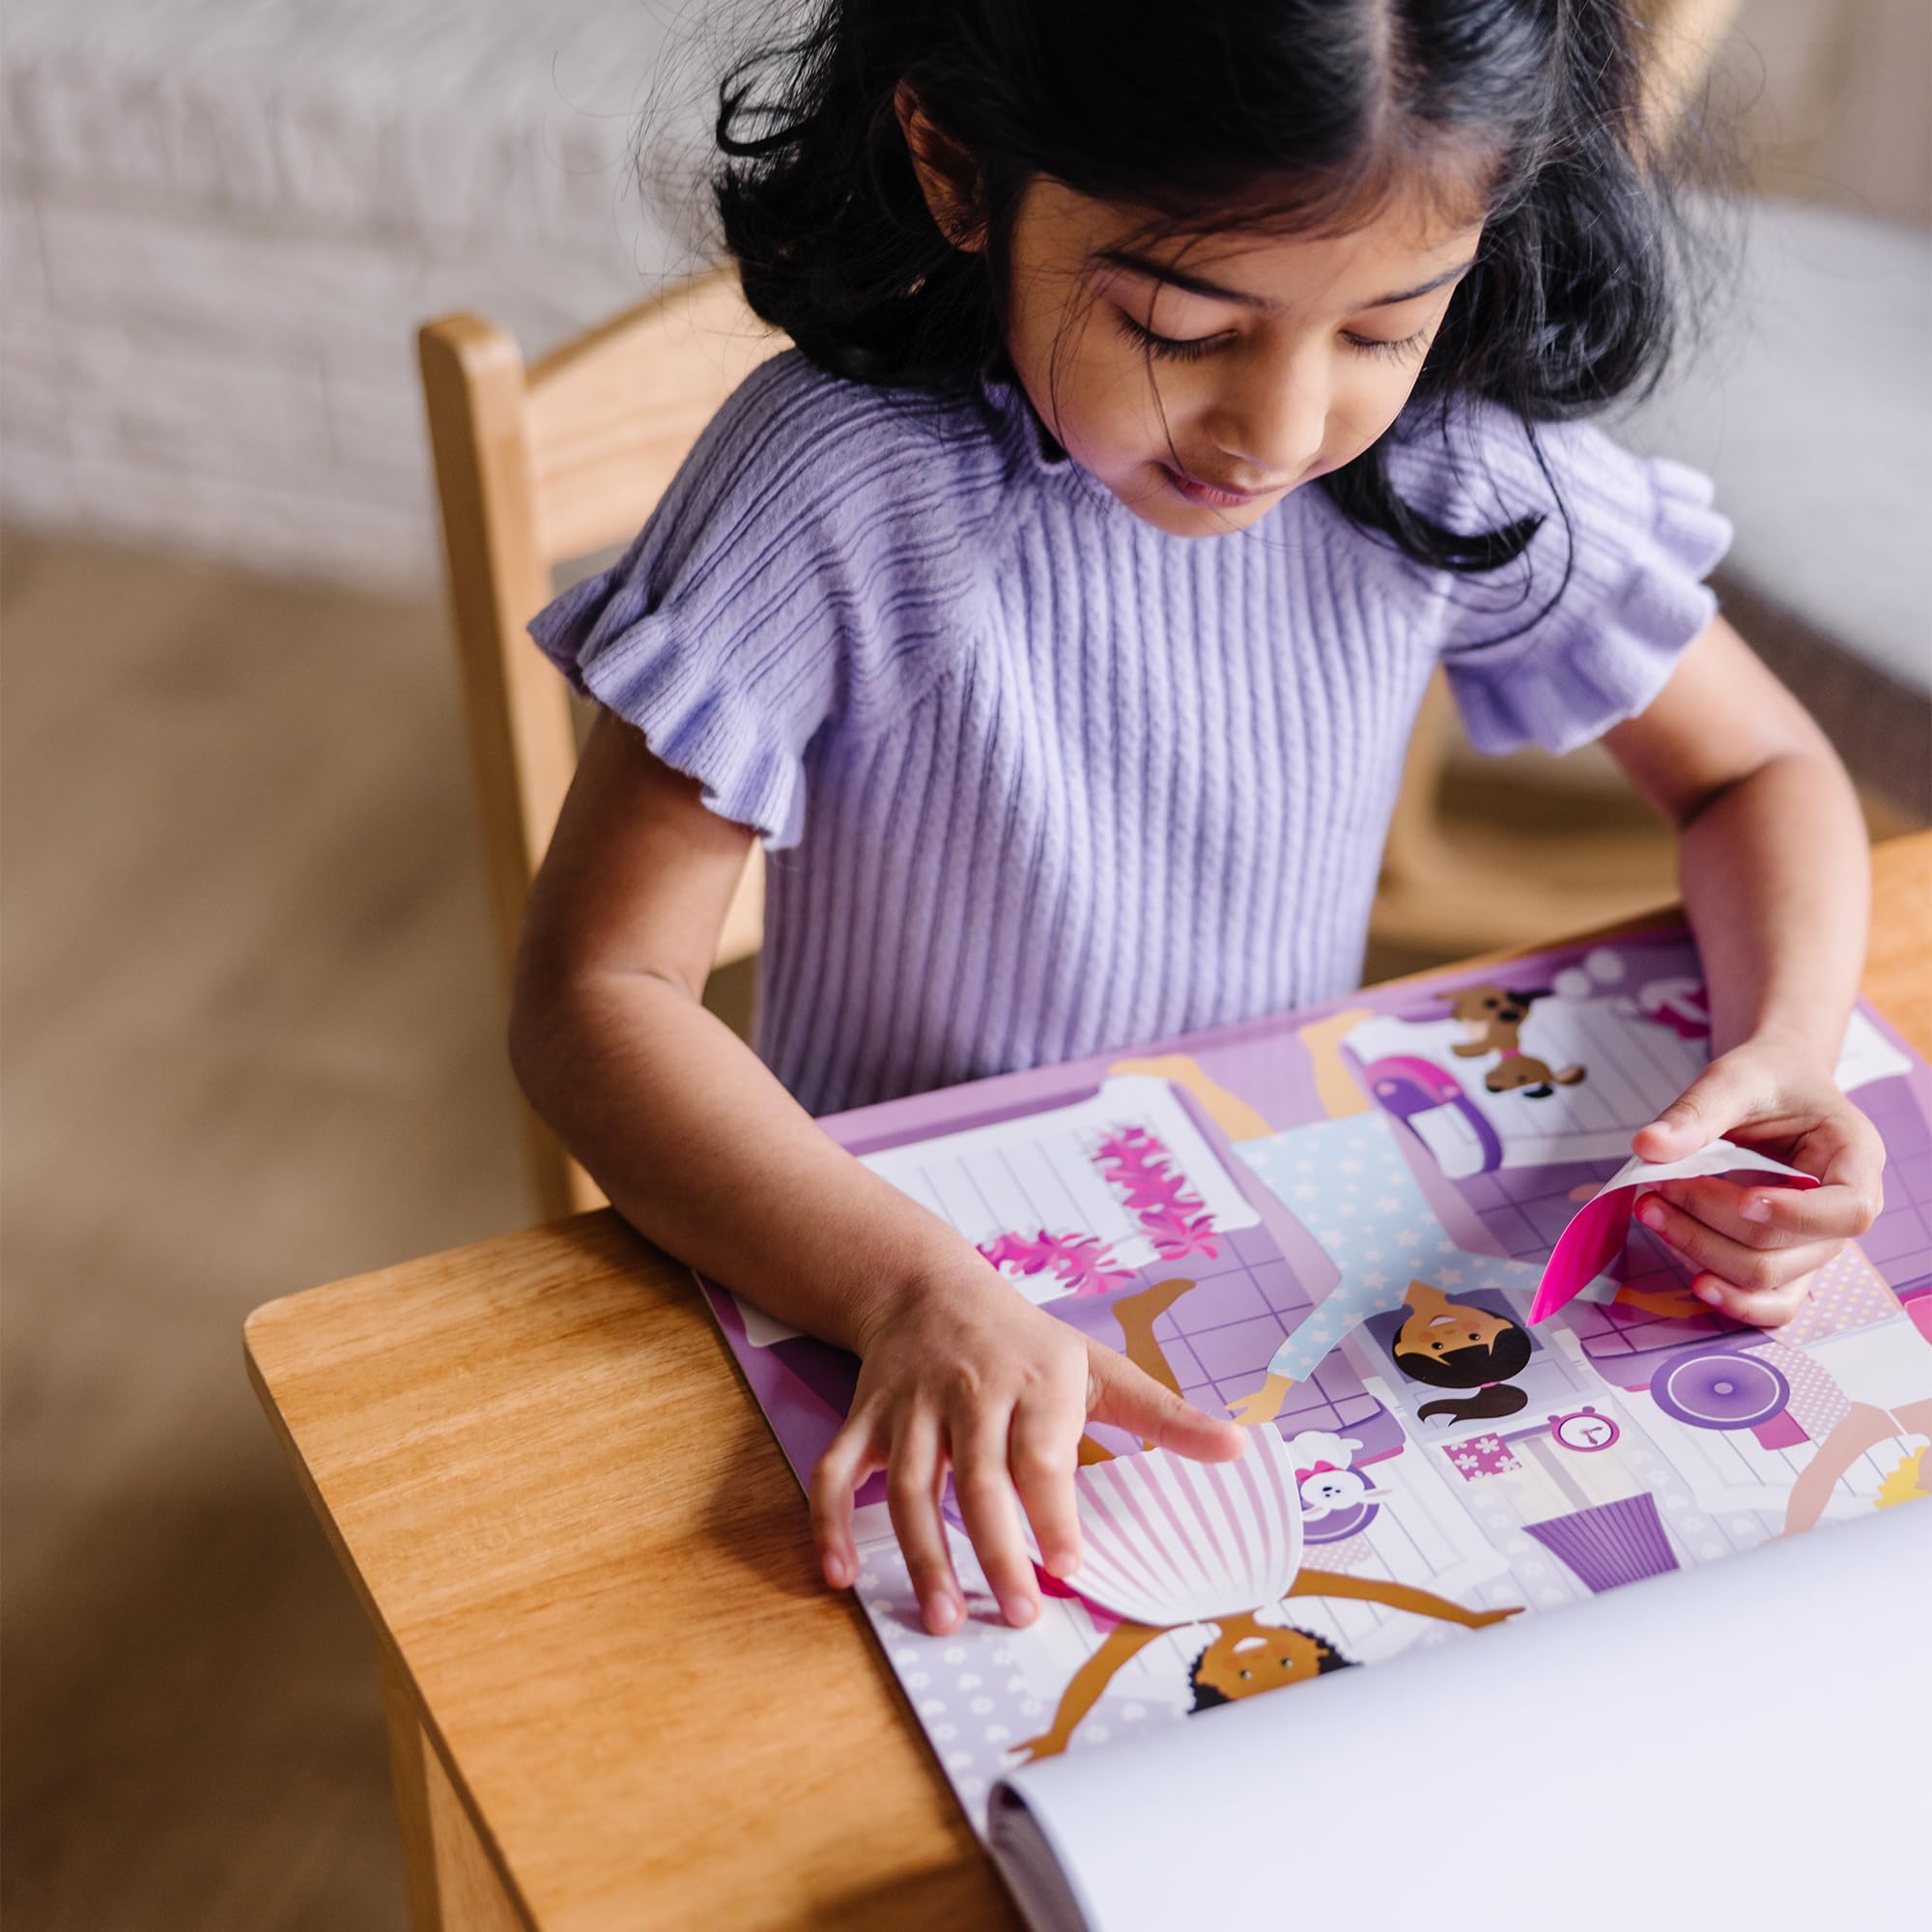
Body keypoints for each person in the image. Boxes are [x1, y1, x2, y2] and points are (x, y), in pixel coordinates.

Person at [510, 1, 1884, 1642]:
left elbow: (1758, 775)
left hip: (1274, 1248)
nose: (1282, 431)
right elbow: (596, 999)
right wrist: (901, 1289)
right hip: (862, 1268)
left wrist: (1792, 1050)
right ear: (958, 169)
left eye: (1385, 328)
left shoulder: (1452, 453)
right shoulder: (837, 485)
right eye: (1182, 324)